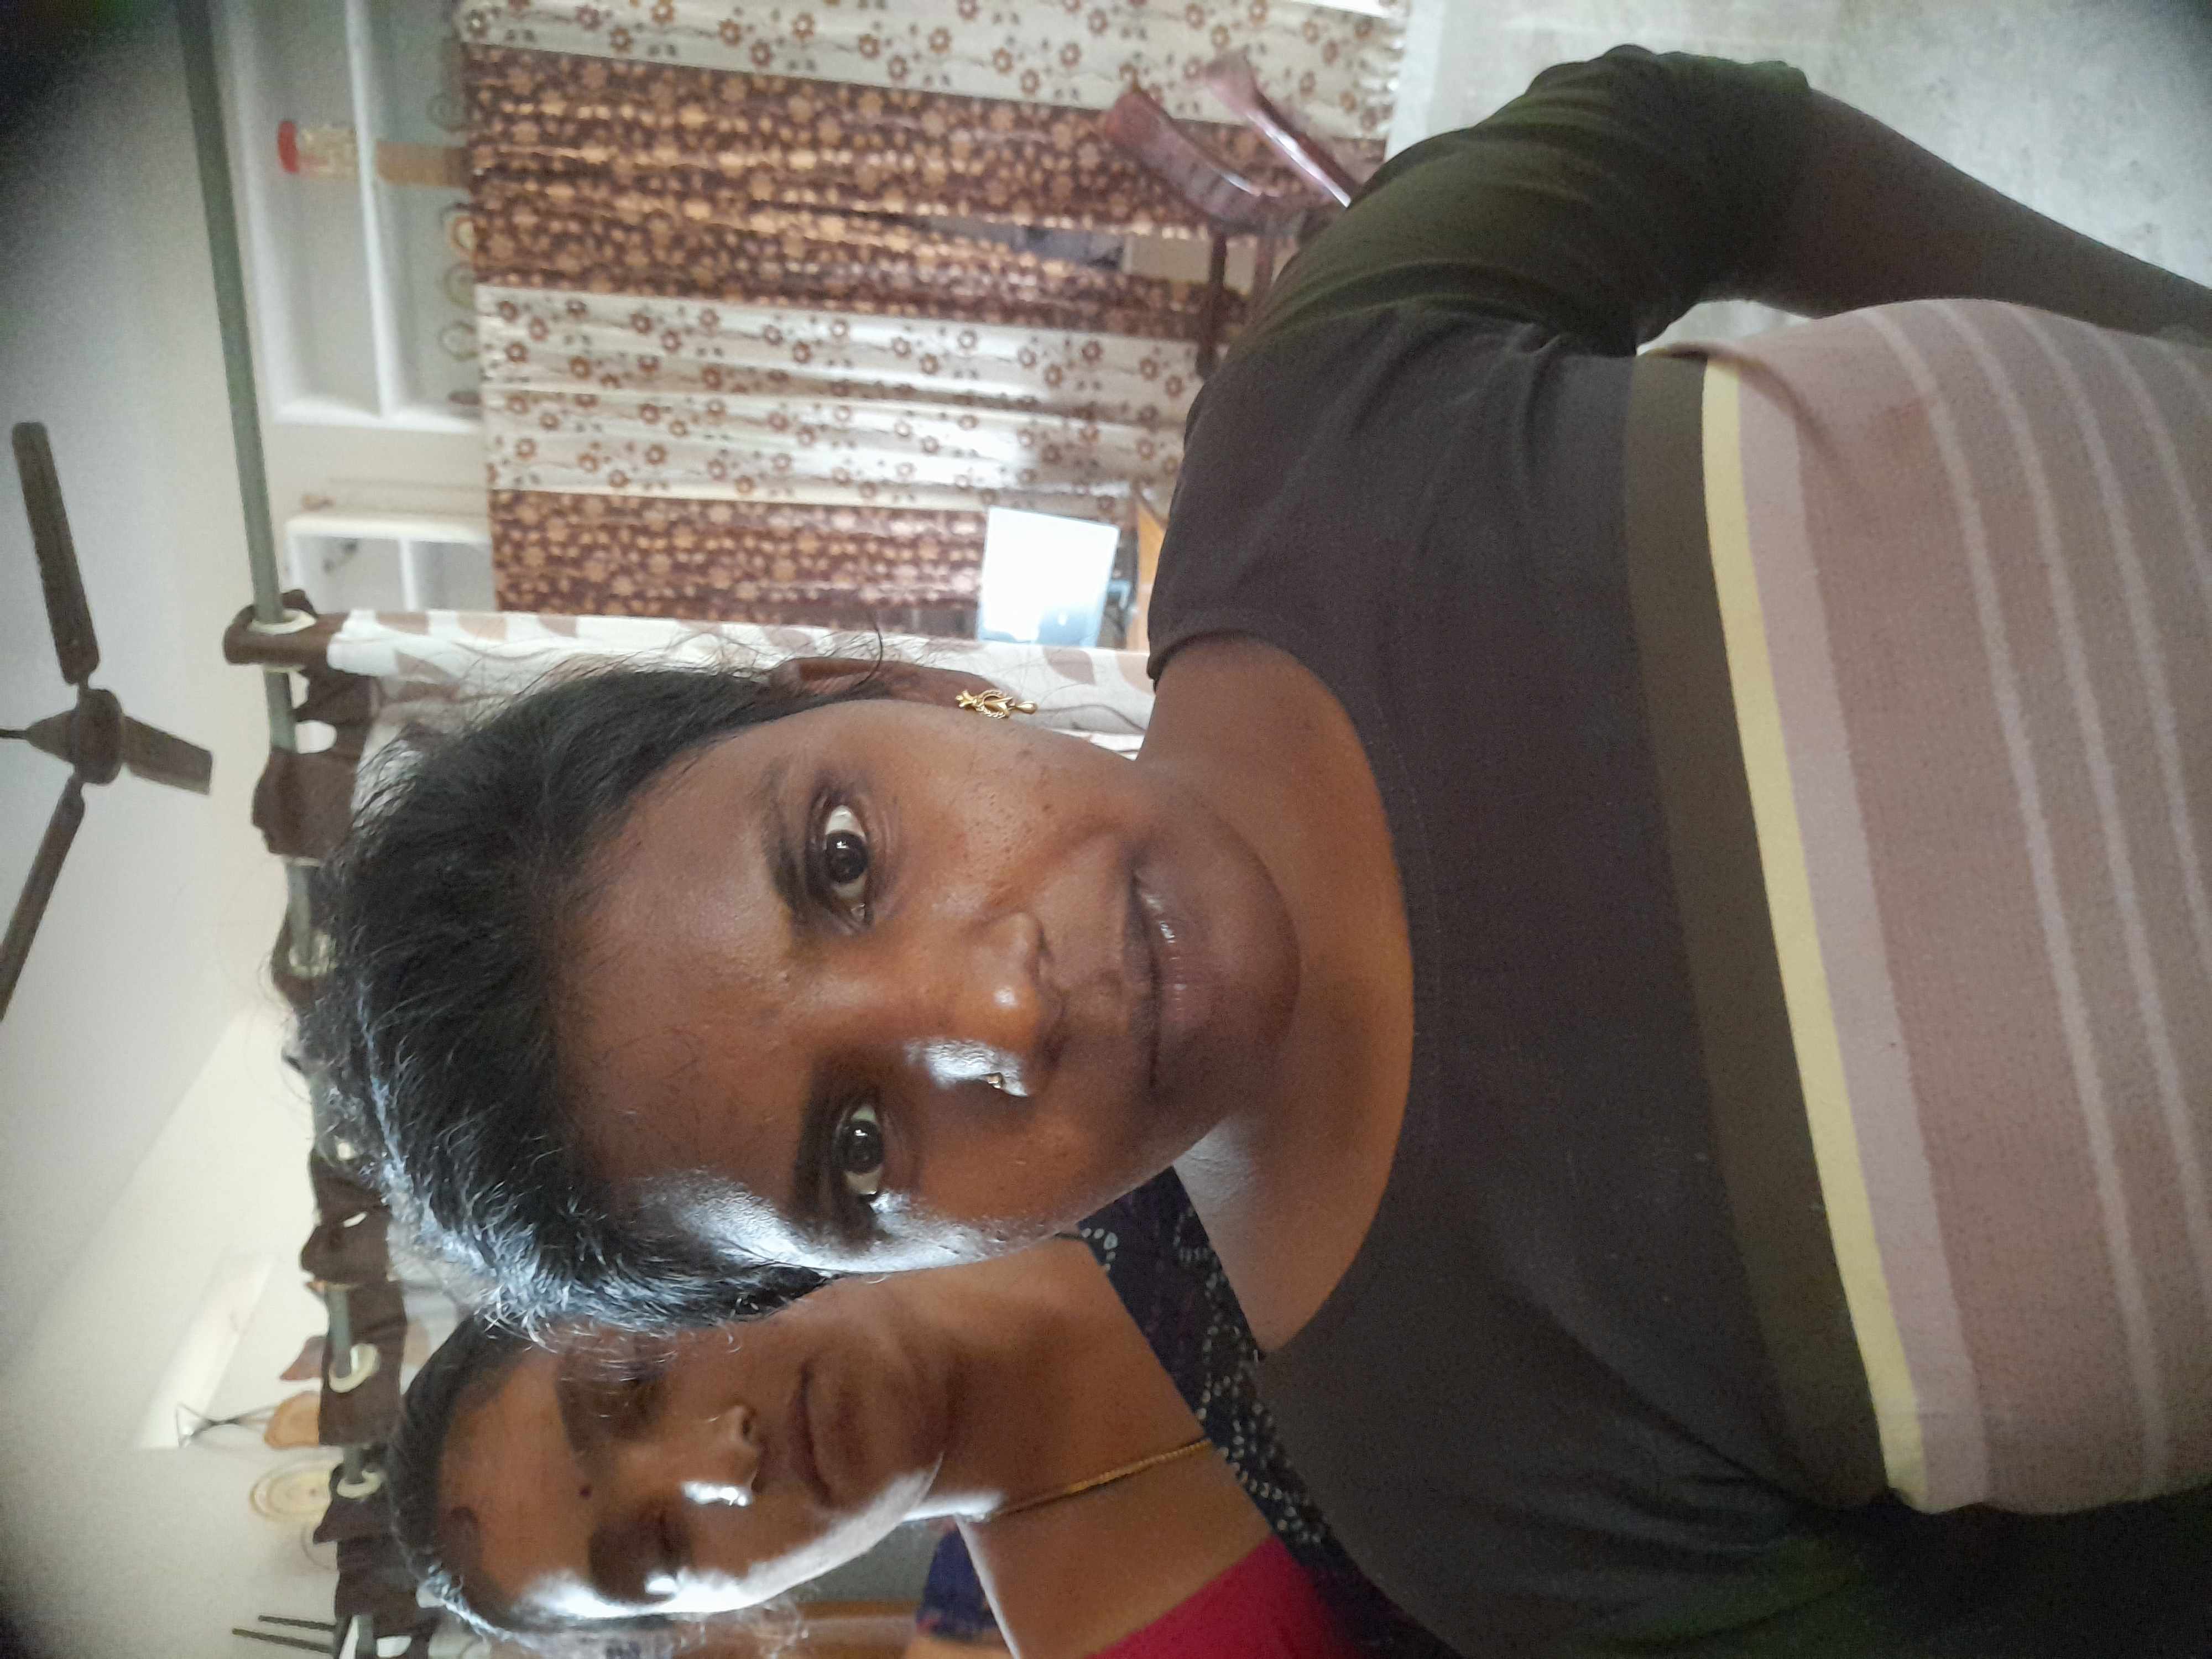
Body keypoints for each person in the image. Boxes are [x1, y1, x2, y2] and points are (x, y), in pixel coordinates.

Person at [311, 45, 2212, 1656]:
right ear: (855, 1255)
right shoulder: (1476, 1489)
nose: (1001, 1010)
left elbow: (1704, 143)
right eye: (863, 1149)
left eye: (841, 861)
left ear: (880, 684)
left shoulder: (1332, 430)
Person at [398, 1239, 1361, 1657]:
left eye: (634, 1387)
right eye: (661, 1549)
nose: (725, 1467)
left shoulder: (1082, 1095)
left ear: (673, 1270)